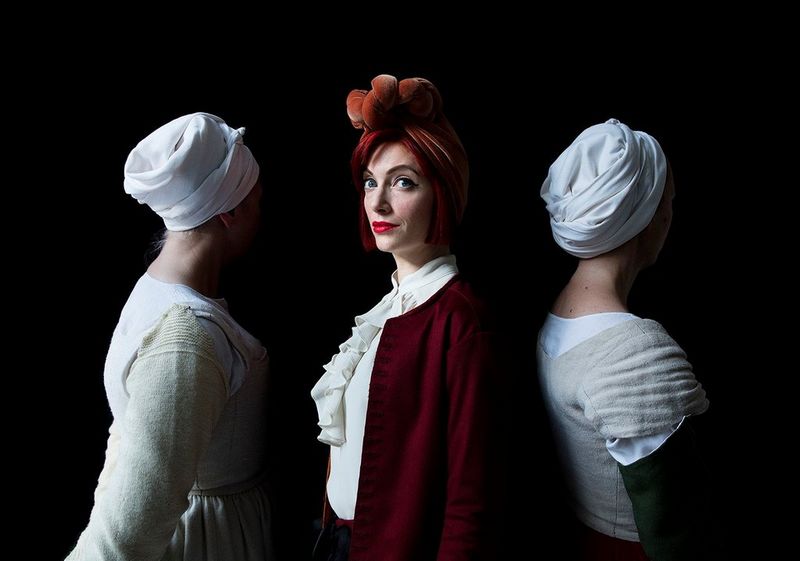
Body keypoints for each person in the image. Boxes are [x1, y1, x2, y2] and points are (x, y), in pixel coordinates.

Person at [310, 74, 504, 561]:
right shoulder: (385, 310)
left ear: (442, 191)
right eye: (370, 182)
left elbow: (470, 500)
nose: (377, 202)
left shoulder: (460, 321)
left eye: (403, 182)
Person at [66, 113, 274, 560]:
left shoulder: (156, 289)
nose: (263, 211)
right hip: (205, 545)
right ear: (232, 211)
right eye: (258, 200)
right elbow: (128, 531)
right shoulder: (186, 339)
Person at [537, 119, 718, 560]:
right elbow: (675, 531)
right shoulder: (635, 354)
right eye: (668, 201)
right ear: (650, 215)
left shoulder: (556, 317)